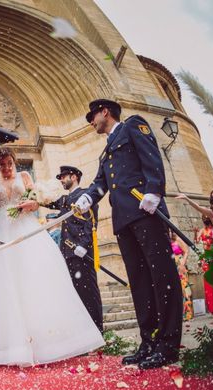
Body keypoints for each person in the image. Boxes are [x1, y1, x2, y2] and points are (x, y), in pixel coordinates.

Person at [0, 149, 104, 366]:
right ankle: (0, 345)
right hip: (1, 231)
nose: (6, 168)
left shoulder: (25, 177)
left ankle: (42, 342)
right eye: (2, 165)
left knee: (33, 279)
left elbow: (36, 202)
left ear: (14, 162)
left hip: (25, 228)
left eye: (9, 163)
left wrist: (31, 205)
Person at [75, 99, 183, 369]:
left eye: (92, 116)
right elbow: (100, 184)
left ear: (105, 112)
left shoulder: (133, 126)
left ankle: (168, 344)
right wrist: (88, 198)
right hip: (124, 221)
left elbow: (152, 157)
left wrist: (154, 191)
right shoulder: (107, 150)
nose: (91, 122)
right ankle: (149, 342)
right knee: (140, 282)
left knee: (162, 276)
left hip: (146, 211)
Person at [46, 165, 103, 332]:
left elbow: (91, 222)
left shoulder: (85, 196)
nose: (62, 180)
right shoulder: (65, 199)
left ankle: (97, 332)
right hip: (67, 252)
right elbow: (48, 203)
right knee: (75, 295)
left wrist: (84, 245)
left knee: (88, 293)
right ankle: (84, 334)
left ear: (74, 176)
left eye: (64, 176)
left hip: (81, 253)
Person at [195, 216, 213, 314]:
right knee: (208, 285)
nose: (205, 219)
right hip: (206, 259)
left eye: (206, 217)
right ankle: (212, 310)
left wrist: (210, 238)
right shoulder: (202, 230)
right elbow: (197, 241)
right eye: (203, 218)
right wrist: (195, 233)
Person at [170, 231, 193, 321]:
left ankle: (188, 313)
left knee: (184, 288)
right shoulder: (166, 241)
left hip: (180, 265)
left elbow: (186, 251)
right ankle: (178, 314)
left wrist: (182, 263)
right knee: (175, 289)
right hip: (171, 267)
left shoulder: (178, 240)